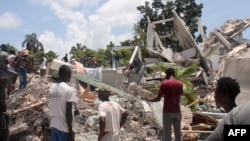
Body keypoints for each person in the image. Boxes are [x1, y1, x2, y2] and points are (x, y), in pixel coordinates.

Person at [143, 68, 183, 141]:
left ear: (167, 75)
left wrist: (148, 99)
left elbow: (158, 98)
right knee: (178, 134)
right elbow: (179, 94)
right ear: (174, 74)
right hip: (177, 112)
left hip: (167, 112)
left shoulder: (164, 84)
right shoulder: (180, 84)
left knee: (167, 134)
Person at [49, 65, 77, 141]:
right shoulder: (69, 90)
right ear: (65, 74)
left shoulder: (52, 88)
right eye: (70, 73)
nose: (70, 76)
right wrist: (70, 133)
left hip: (54, 125)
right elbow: (68, 113)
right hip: (64, 129)